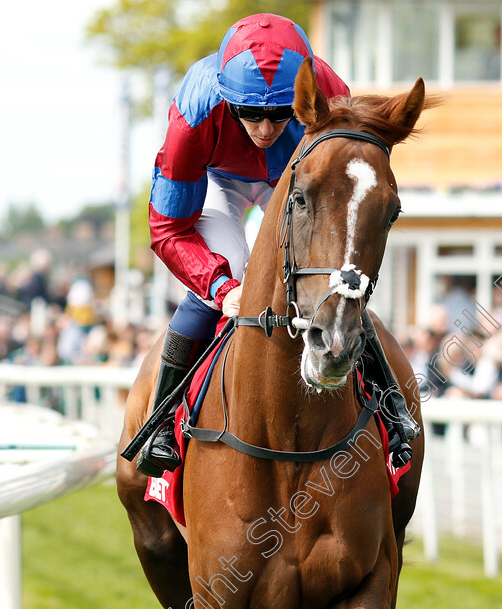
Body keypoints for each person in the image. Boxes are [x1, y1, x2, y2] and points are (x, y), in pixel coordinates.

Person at [137, 13, 419, 476]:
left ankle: (389, 406)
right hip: (216, 181)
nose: (265, 130)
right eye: (250, 113)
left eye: (277, 113)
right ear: (228, 101)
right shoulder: (193, 113)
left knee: (329, 280)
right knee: (229, 266)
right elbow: (168, 228)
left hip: (296, 178)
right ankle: (163, 420)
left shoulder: (329, 92)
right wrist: (220, 286)